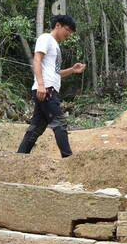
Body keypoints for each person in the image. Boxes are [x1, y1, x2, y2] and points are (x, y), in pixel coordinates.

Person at [16, 14, 85, 158]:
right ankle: (68, 158)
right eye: (68, 30)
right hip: (46, 89)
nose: (69, 34)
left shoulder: (55, 45)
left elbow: (56, 73)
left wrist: (72, 70)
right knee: (59, 122)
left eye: (71, 32)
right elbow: (37, 59)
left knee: (37, 127)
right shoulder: (46, 38)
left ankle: (20, 157)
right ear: (58, 25)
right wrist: (41, 85)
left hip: (47, 87)